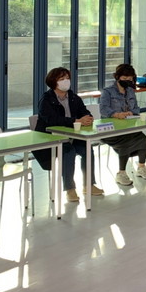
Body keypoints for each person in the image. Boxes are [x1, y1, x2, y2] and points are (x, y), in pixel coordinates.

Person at [34, 67, 103, 203]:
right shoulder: (46, 99)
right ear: (53, 82)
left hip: (73, 135)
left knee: (87, 149)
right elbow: (52, 120)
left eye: (67, 78)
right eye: (62, 79)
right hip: (52, 138)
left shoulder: (73, 97)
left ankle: (89, 184)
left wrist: (87, 118)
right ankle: (70, 188)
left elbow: (84, 111)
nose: (66, 81)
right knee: (68, 152)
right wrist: (75, 121)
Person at [99, 64, 146, 185]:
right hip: (110, 130)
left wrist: (131, 113)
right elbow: (103, 109)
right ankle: (121, 173)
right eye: (124, 78)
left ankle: (141, 167)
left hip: (128, 127)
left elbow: (136, 108)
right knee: (126, 141)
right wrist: (116, 114)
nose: (127, 81)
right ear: (117, 77)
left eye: (130, 79)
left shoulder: (130, 91)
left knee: (143, 139)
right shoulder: (107, 91)